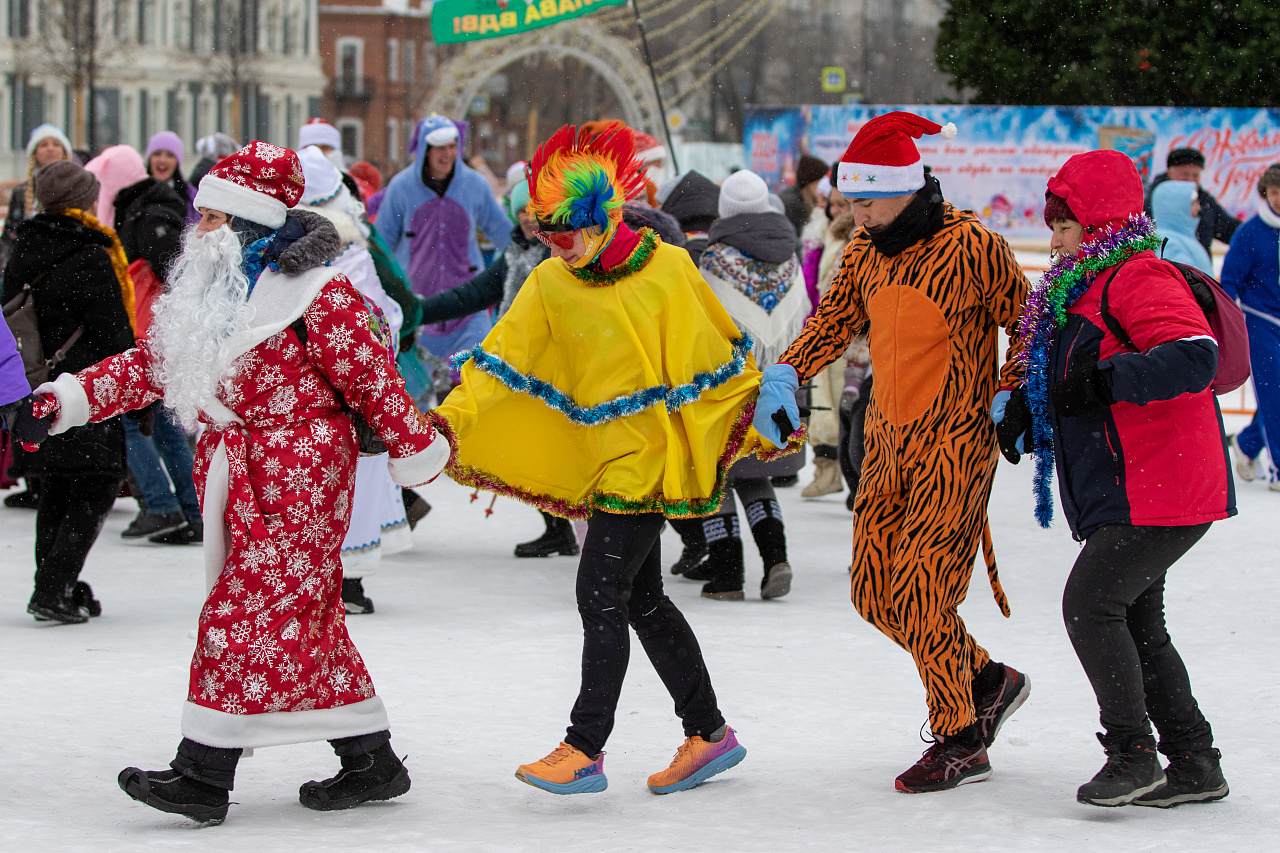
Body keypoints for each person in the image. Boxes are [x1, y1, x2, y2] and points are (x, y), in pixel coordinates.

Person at [15, 141, 449, 823]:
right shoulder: (211, 295)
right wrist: (65, 399)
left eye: (213, 219)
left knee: (239, 617)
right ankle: (372, 758)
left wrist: (415, 447)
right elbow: (149, 365)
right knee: (306, 619)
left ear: (248, 222)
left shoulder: (319, 294)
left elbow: (375, 381)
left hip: (303, 478)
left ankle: (203, 771)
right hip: (239, 472)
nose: (199, 231)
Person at [430, 123, 798, 795]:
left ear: (602, 217)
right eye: (545, 233)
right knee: (644, 599)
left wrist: (768, 388)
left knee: (598, 591)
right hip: (601, 460)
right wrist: (447, 422)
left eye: (566, 231)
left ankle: (584, 746)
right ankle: (709, 733)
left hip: (648, 462)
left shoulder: (668, 269)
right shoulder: (550, 283)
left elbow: (719, 352)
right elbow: (498, 363)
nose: (557, 245)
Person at [756, 112, 1031, 793]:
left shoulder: (973, 246)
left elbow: (1029, 322)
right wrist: (788, 369)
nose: (857, 212)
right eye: (851, 200)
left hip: (957, 446)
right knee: (875, 590)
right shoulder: (863, 254)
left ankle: (961, 735)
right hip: (885, 442)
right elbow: (834, 321)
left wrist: (1014, 389)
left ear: (907, 187)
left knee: (924, 592)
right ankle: (989, 679)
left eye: (868, 199)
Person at [998, 149, 1233, 807]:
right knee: (1133, 618)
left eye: (1065, 225)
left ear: (1098, 221)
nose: (1054, 238)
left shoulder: (1137, 275)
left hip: (1163, 483)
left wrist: (1098, 383)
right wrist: (1026, 407)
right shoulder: (1085, 285)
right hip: (1130, 483)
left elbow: (1193, 357)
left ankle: (1132, 753)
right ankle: (1194, 761)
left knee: (1091, 604)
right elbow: (1072, 370)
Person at [1, 160, 137, 623]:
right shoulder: (93, 252)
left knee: (57, 486)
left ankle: (58, 582)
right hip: (85, 387)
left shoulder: (25, 245)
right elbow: (114, 333)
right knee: (96, 485)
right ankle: (52, 588)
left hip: (36, 385)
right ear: (83, 200)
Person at [415, 175, 574, 559]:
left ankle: (571, 528)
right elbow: (473, 294)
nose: (527, 220)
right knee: (529, 449)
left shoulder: (560, 254)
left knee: (552, 450)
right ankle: (558, 527)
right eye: (520, 212)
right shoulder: (516, 253)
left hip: (553, 369)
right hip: (519, 368)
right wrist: (419, 309)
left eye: (534, 212)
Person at [298, 144, 412, 613]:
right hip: (329, 393)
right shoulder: (346, 255)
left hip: (344, 393)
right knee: (332, 483)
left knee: (346, 483)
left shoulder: (350, 260)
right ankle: (333, 578)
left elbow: (381, 319)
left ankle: (346, 581)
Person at [692, 169, 809, 600]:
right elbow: (802, 315)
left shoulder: (714, 259)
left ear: (726, 211)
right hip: (776, 384)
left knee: (716, 476)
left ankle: (727, 574)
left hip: (728, 386)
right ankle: (776, 559)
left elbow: (702, 323)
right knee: (755, 474)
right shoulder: (790, 256)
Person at [87, 144, 203, 544]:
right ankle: (193, 510)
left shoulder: (147, 210)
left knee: (132, 424)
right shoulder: (149, 204)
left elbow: (171, 264)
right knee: (167, 427)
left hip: (146, 331)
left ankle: (161, 506)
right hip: (157, 330)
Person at [375, 116, 512, 369]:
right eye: (440, 148)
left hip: (469, 308)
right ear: (426, 151)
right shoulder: (402, 187)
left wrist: (529, 260)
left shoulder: (474, 185)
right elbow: (380, 244)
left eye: (452, 146)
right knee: (417, 396)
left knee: (479, 382)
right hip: (419, 310)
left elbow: (504, 235)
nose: (447, 154)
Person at [1221, 164, 1280, 489]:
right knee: (1275, 396)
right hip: (1261, 323)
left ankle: (1247, 444)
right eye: (1274, 192)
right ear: (1265, 194)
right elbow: (1229, 281)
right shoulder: (1250, 233)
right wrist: (1229, 323)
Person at [1146, 147, 1238, 253]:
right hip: (1163, 267)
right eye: (1184, 174)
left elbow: (1231, 230)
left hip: (1198, 267)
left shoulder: (1205, 202)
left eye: (1195, 175)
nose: (1190, 180)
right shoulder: (1152, 203)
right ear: (1169, 173)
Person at [1151, 180, 1214, 274]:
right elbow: (1189, 282)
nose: (1199, 207)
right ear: (1176, 207)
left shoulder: (1180, 236)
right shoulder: (1169, 243)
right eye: (1193, 203)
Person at [659, 171, 720, 264]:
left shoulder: (682, 249)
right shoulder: (717, 245)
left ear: (673, 205)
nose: (656, 209)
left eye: (660, 204)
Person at [145, 131, 199, 226]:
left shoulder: (191, 197)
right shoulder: (136, 193)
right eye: (157, 154)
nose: (162, 160)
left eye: (170, 155)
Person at [777, 154, 829, 238]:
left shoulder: (789, 196)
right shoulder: (795, 205)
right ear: (813, 183)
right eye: (822, 182)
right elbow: (801, 241)